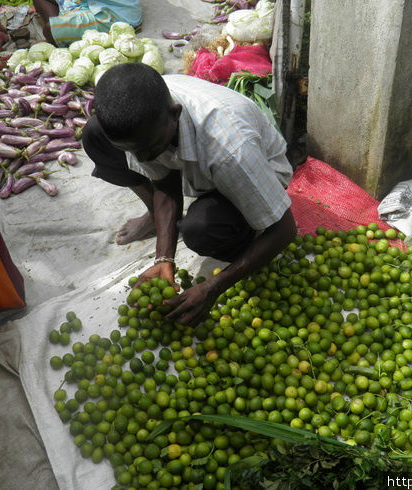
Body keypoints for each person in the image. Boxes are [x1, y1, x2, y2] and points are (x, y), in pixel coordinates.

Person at [83, 63, 297, 326]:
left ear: (175, 114)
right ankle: (155, 215)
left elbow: (285, 228)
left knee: (200, 229)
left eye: (149, 149)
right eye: (132, 151)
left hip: (255, 172)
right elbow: (163, 180)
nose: (141, 160)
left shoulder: (230, 148)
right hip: (190, 157)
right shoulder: (146, 118)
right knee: (94, 134)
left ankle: (250, 232)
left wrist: (213, 287)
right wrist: (164, 258)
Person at [33, 0, 142, 46]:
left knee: (49, 30)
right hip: (88, 3)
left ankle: (62, 31)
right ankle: (63, 28)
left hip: (111, 14)